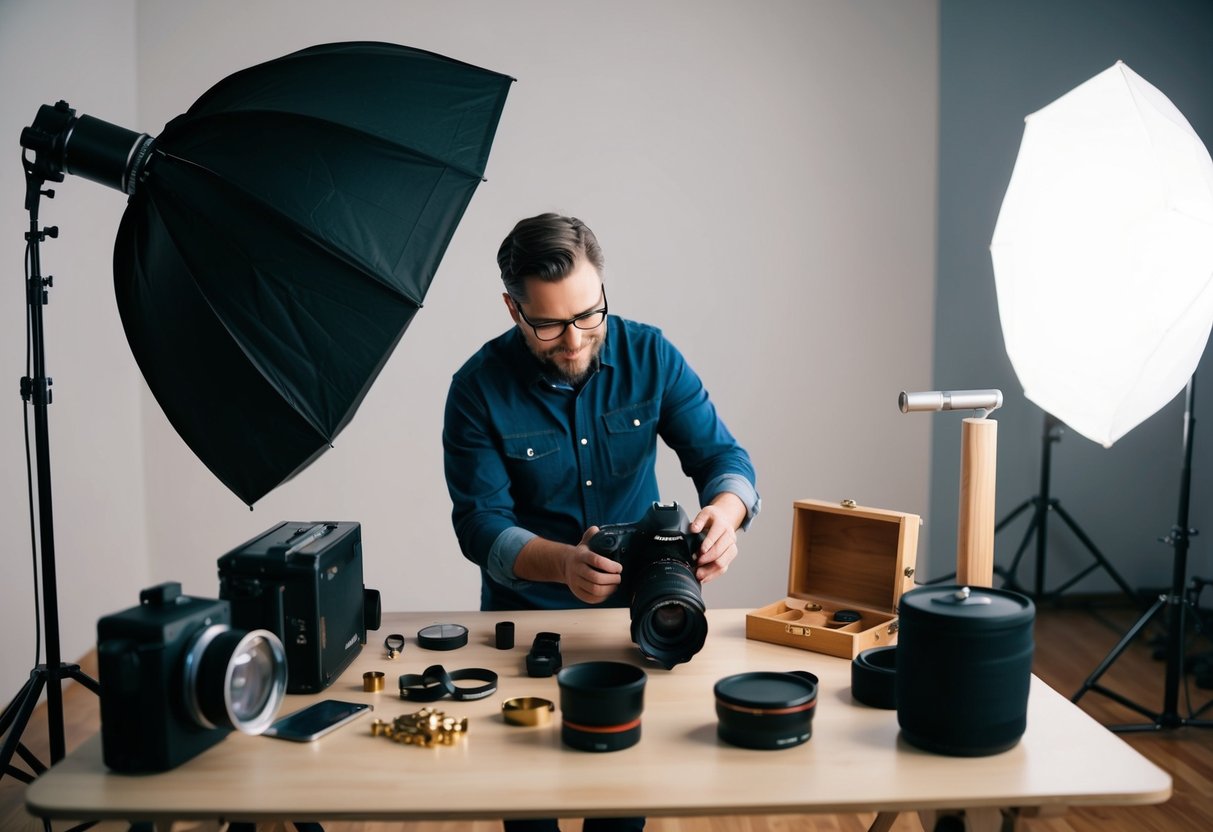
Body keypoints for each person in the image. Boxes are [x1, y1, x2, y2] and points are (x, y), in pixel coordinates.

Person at [442, 213, 760, 832]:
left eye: (589, 314)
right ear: (513, 309)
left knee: (620, 804)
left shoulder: (652, 354)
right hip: (528, 624)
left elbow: (724, 458)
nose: (575, 339)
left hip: (640, 622)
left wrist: (726, 513)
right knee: (530, 807)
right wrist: (562, 562)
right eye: (551, 324)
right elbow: (480, 525)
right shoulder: (476, 390)